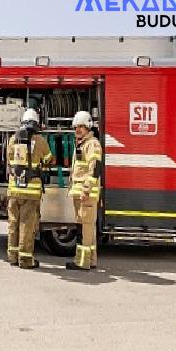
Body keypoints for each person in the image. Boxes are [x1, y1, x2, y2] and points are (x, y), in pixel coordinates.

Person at [6, 109, 53, 269]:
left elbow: (9, 162)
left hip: (14, 189)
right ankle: (25, 260)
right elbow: (48, 159)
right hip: (31, 191)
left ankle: (12, 256)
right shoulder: (40, 141)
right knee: (27, 225)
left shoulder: (12, 139)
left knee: (13, 223)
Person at [66, 111, 102, 271]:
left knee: (84, 229)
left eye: (81, 126)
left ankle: (82, 262)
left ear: (88, 127)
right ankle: (91, 260)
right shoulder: (82, 144)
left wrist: (86, 190)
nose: (77, 130)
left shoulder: (92, 144)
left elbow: (95, 169)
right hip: (81, 194)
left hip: (86, 195)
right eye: (75, 127)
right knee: (88, 228)